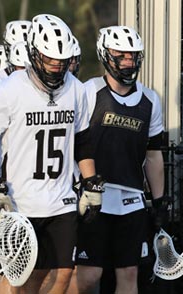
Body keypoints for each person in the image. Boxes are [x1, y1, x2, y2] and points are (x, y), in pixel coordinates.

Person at [0, 14, 100, 294]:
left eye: (62, 61)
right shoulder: (11, 88)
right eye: (50, 60)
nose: (56, 68)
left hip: (61, 198)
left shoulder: (77, 90)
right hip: (21, 200)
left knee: (64, 273)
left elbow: (83, 141)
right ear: (33, 53)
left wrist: (91, 183)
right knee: (23, 275)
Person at [73, 25, 166, 294]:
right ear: (105, 55)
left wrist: (158, 201)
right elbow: (76, 144)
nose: (128, 61)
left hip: (131, 198)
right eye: (121, 55)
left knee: (130, 272)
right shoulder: (89, 91)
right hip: (93, 197)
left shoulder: (150, 99)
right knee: (89, 275)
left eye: (132, 56)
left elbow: (153, 153)